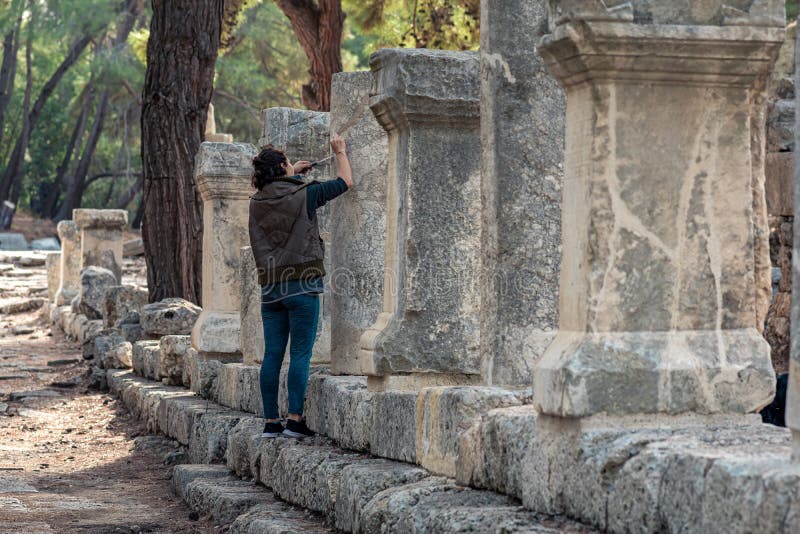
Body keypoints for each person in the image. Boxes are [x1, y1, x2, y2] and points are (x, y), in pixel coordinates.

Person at [249, 134, 352, 438]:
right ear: (282, 166)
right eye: (289, 162)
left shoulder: (256, 202)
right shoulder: (305, 194)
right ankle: (295, 419)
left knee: (272, 355)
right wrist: (340, 151)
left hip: (271, 287)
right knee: (301, 354)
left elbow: (281, 194)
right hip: (303, 284)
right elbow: (345, 181)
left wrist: (295, 174)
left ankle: (271, 422)